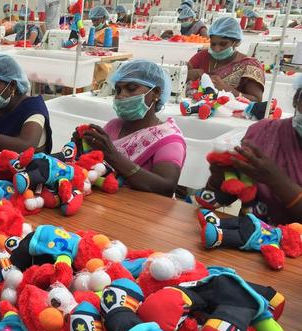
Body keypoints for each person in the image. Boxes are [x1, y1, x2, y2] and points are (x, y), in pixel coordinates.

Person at [199, 75, 302, 225]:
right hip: (249, 237)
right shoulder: (264, 132)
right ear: (296, 99)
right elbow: (222, 197)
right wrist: (219, 178)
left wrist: (278, 181)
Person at [79, 60, 186, 197]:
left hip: (142, 211)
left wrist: (113, 155)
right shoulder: (114, 125)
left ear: (156, 93)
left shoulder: (169, 138)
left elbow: (166, 187)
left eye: (131, 88)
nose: (121, 95)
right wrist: (83, 147)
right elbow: (98, 166)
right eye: (118, 90)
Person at [187, 17, 265, 102]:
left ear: (236, 42)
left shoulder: (249, 65)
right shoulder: (202, 56)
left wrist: (227, 90)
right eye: (213, 44)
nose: (216, 49)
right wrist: (187, 75)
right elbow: (178, 77)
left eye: (223, 44)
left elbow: (257, 101)